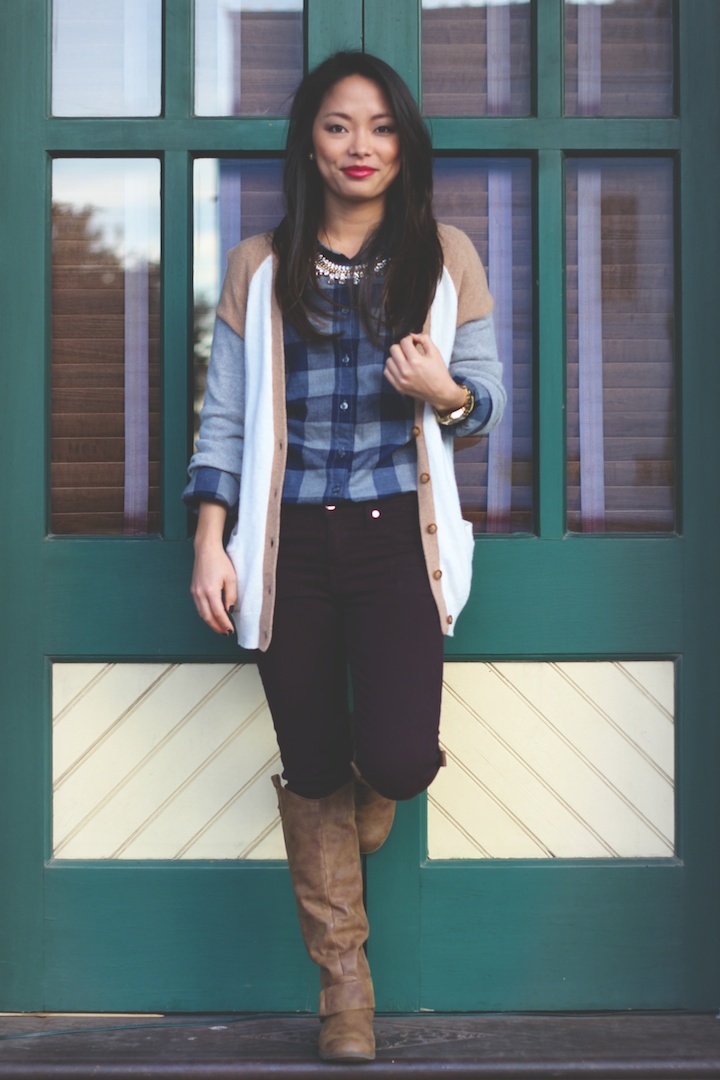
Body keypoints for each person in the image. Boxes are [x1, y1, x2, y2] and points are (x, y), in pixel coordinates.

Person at [184, 51, 505, 1064]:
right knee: (314, 763)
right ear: (309, 143)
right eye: (337, 126)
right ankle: (345, 995)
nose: (358, 146)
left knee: (400, 760)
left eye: (378, 127)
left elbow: (486, 402)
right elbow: (227, 416)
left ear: (404, 142)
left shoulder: (446, 255)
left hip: (395, 536)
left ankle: (350, 847)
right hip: (291, 543)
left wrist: (443, 390)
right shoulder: (259, 264)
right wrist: (210, 541)